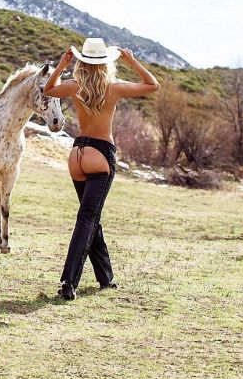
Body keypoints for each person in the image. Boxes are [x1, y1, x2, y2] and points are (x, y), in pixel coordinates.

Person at [44, 37, 160, 300]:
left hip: (77, 154)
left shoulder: (74, 86)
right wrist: (132, 61)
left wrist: (62, 67)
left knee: (90, 218)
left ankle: (105, 278)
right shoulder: (114, 88)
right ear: (106, 63)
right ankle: (68, 281)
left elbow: (49, 90)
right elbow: (153, 85)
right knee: (88, 218)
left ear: (82, 62)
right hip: (100, 154)